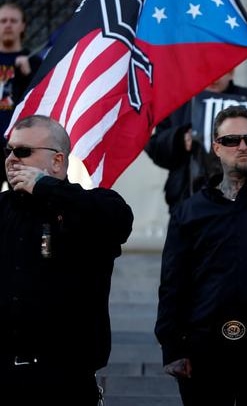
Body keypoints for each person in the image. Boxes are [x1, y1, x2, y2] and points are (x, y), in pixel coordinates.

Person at [155, 105, 247, 406]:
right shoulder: (190, 210)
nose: (242, 146)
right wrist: (171, 347)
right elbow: (172, 283)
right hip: (205, 348)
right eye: (231, 140)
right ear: (217, 147)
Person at [0, 114, 133, 404]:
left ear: (57, 161)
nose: (11, 159)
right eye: (8, 150)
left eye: (23, 152)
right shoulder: (4, 208)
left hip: (63, 379)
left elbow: (118, 220)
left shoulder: (90, 207)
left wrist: (45, 186)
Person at [145, 69, 247, 212]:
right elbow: (154, 147)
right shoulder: (178, 101)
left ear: (231, 73)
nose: (214, 78)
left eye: (221, 69)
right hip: (187, 200)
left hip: (244, 201)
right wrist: (180, 139)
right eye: (208, 69)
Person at [0, 1, 42, 187]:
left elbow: (41, 102)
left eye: (13, 20)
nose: (8, 25)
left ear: (23, 25)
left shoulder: (34, 63)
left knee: (21, 199)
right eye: (3, 21)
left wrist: (28, 75)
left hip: (20, 147)